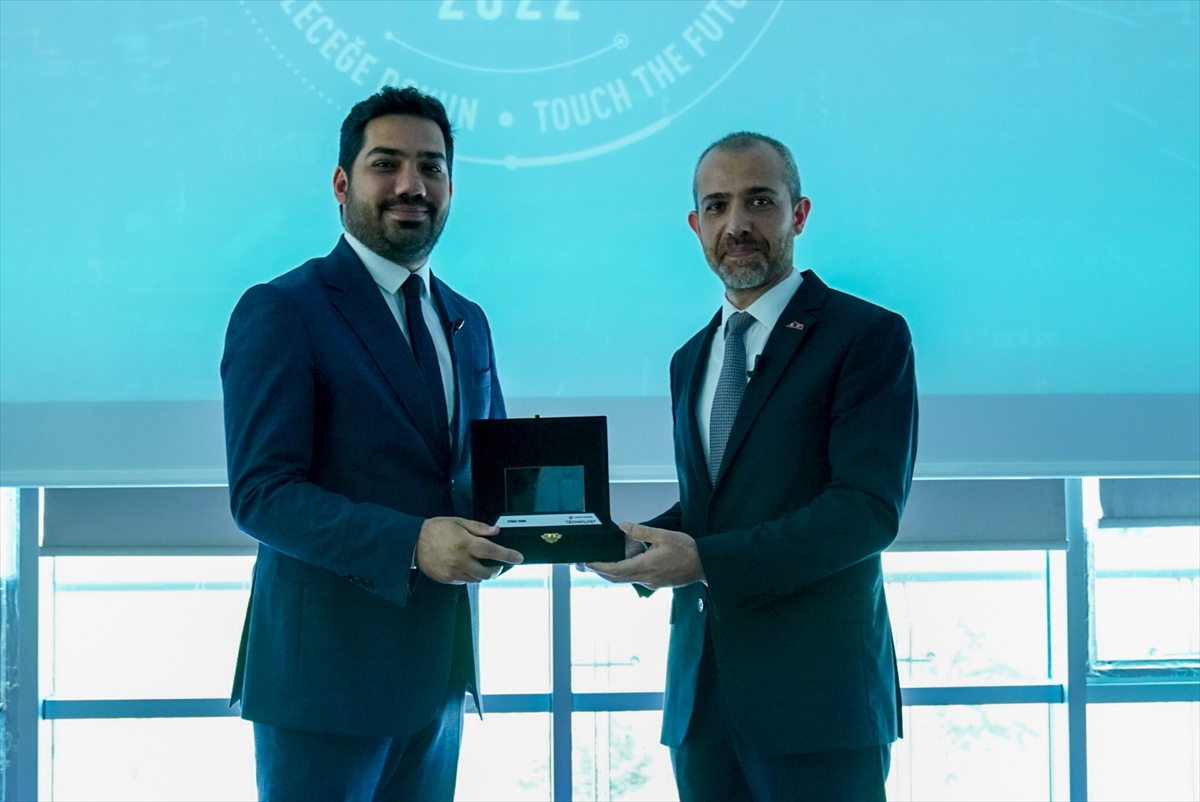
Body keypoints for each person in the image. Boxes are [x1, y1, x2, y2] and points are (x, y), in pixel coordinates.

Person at [588, 132, 918, 801]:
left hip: (819, 705)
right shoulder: (690, 358)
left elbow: (865, 511)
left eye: (759, 201)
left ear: (799, 213)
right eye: (717, 206)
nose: (736, 223)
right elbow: (713, 505)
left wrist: (704, 560)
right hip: (701, 704)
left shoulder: (867, 336)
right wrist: (635, 544)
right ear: (696, 225)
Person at [221, 87, 523, 801]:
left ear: (450, 187)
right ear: (341, 183)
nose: (411, 185)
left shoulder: (467, 319)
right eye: (386, 164)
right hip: (323, 689)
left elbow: (489, 475)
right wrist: (412, 542)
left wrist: (569, 525)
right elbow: (263, 495)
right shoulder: (283, 309)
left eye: (431, 167)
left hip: (439, 681)